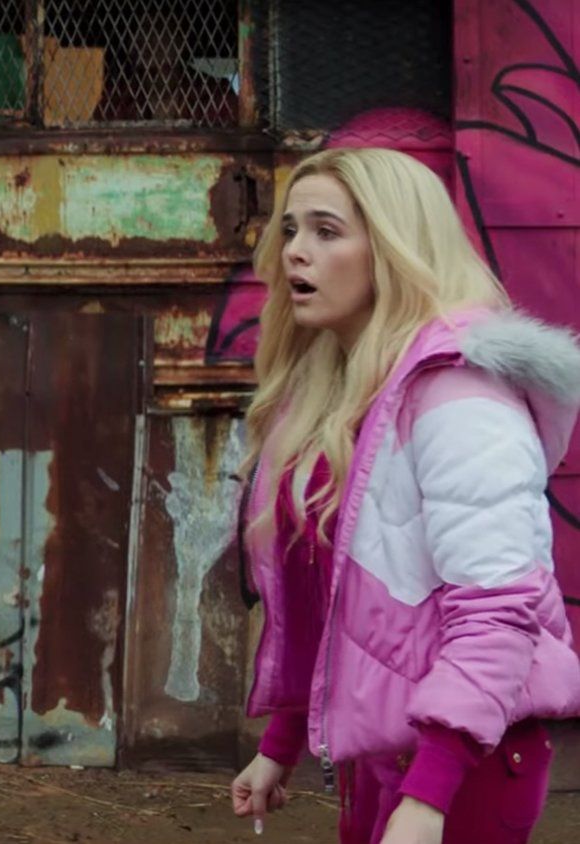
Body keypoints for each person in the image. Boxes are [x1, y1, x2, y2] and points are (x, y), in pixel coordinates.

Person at [229, 147, 580, 843]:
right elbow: (333, 599)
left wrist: (428, 797)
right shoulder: (335, 389)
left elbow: (498, 612)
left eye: (327, 231)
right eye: (291, 229)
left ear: (394, 248)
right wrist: (283, 738)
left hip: (467, 762)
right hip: (383, 753)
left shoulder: (461, 395)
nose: (294, 250)